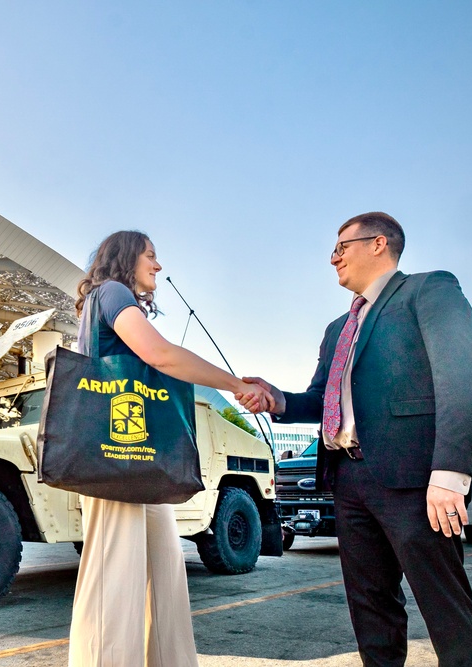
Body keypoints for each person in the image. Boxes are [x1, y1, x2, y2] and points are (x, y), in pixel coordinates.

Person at [238, 212, 472, 667]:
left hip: (415, 480)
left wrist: (450, 473)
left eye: (341, 247)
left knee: (445, 606)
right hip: (349, 480)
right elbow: (320, 398)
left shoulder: (429, 290)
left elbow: (461, 377)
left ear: (378, 244)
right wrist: (277, 399)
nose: (333, 258)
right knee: (370, 607)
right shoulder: (338, 327)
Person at [68, 230, 272, 667]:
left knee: (164, 575)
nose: (158, 266)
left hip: (138, 460)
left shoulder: (107, 299)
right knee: (113, 583)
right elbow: (158, 354)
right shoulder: (111, 291)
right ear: (126, 258)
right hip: (116, 460)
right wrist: (236, 384)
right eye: (151, 256)